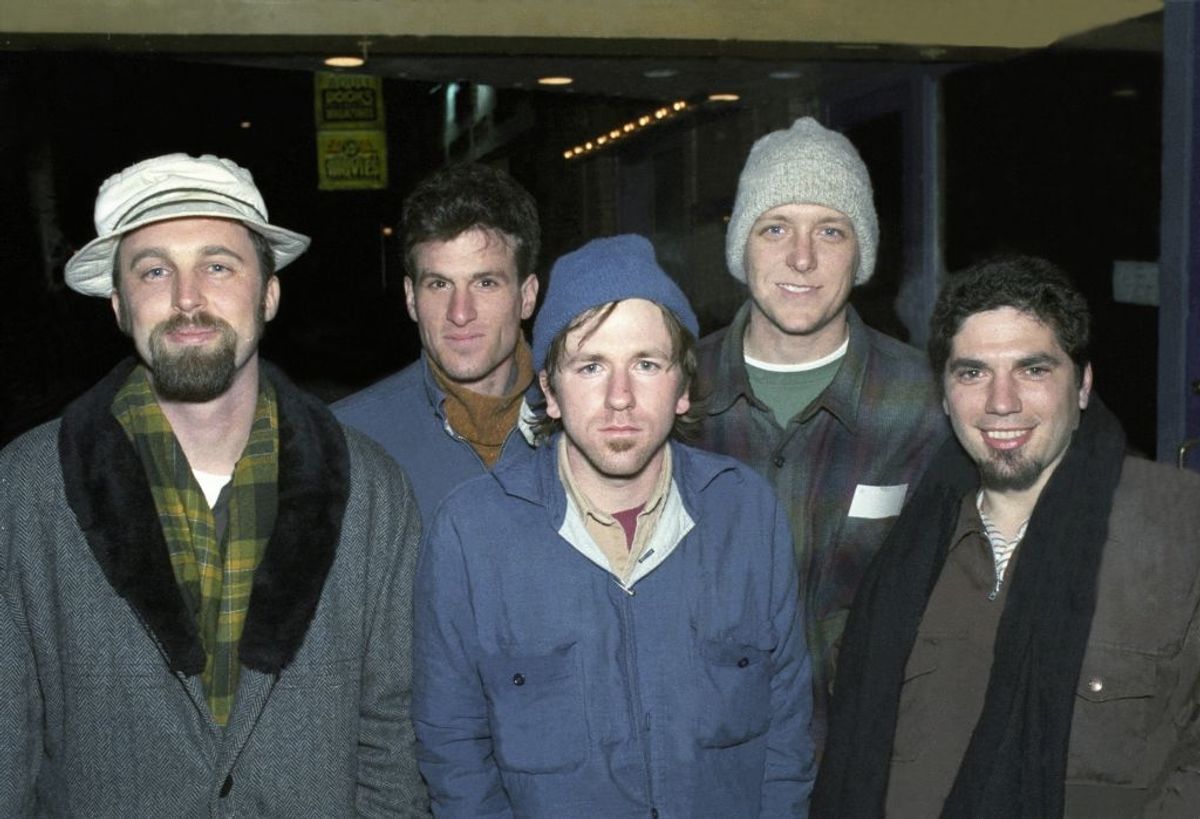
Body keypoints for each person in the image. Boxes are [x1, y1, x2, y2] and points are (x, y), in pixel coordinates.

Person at [0, 153, 427, 816]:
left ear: (269, 294)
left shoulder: (371, 491)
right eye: (154, 270)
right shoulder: (26, 491)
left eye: (218, 266)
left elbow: (391, 745)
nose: (187, 298)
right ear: (118, 306)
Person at [413, 234, 815, 816]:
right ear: (550, 389)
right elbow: (454, 751)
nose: (619, 397)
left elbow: (788, 729)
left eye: (646, 364)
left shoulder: (746, 513)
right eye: (591, 366)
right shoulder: (471, 534)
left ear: (682, 387)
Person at [815, 255, 1200, 817]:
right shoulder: (903, 548)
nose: (1001, 402)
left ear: (1083, 385)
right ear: (944, 396)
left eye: (1033, 370)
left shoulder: (1179, 528)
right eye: (972, 373)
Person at [694, 116, 946, 736]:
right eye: (775, 228)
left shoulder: (928, 402)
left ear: (862, 253)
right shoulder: (671, 392)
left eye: (830, 231)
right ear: (741, 246)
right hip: (697, 753)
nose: (802, 258)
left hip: (860, 754)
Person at [333, 163, 540, 520]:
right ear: (411, 298)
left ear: (527, 296)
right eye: (439, 284)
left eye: (485, 283)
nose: (460, 313)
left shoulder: (587, 424)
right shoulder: (346, 443)